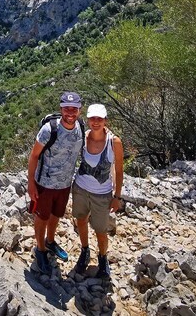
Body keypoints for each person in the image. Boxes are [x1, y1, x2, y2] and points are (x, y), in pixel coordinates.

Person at [27, 91, 85, 274]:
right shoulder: (49, 130)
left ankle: (50, 242)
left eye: (74, 109)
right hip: (45, 183)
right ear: (61, 109)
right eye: (66, 108)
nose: (70, 112)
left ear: (79, 111)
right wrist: (31, 183)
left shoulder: (80, 127)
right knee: (42, 217)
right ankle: (40, 249)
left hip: (65, 184)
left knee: (56, 215)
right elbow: (34, 156)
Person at [71, 103, 124, 278]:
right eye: (93, 118)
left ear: (105, 120)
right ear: (88, 119)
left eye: (99, 119)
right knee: (80, 220)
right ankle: (85, 251)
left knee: (101, 230)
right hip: (80, 188)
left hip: (102, 194)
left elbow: (118, 170)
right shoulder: (84, 138)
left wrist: (117, 196)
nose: (96, 122)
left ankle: (102, 258)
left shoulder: (114, 142)